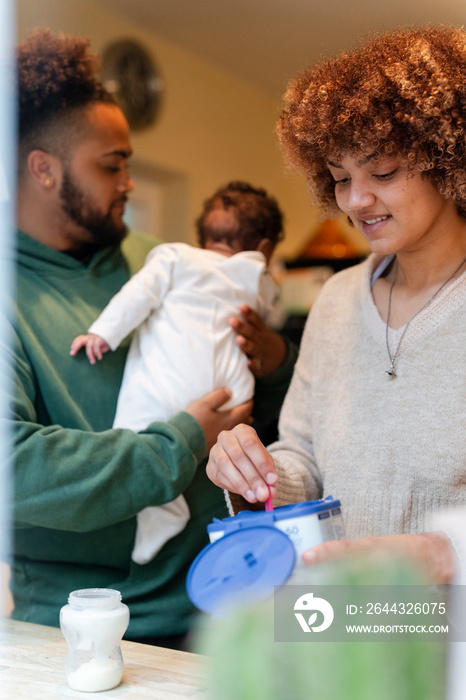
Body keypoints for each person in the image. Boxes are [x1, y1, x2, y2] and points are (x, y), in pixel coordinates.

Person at [4, 28, 298, 647]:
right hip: (89, 630)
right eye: (112, 165)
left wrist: (272, 365)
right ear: (44, 170)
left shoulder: (161, 260)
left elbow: (262, 415)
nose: (130, 182)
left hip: (222, 605)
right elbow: (15, 468)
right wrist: (182, 442)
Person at [206, 26, 466, 585]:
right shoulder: (337, 299)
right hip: (339, 627)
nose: (356, 200)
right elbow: (303, 457)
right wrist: (256, 471)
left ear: (449, 154)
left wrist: (447, 554)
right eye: (341, 178)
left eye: (385, 171)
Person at [69, 181, 284, 566]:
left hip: (170, 381)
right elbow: (270, 317)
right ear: (264, 247)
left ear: (201, 236)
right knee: (232, 443)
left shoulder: (175, 257)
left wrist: (103, 332)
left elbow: (139, 295)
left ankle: (163, 511)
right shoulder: (257, 276)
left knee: (134, 437)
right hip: (230, 394)